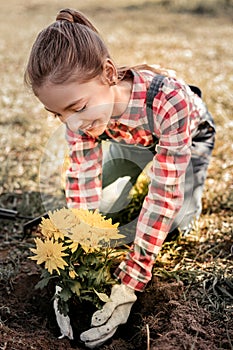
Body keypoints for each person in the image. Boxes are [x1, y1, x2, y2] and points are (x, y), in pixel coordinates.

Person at [24, 8, 215, 348]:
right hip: (130, 141)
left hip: (185, 137)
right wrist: (71, 266)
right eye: (58, 114)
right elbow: (81, 185)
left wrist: (131, 282)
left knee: (176, 223)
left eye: (78, 107)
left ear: (109, 73)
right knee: (104, 207)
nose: (71, 124)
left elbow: (163, 196)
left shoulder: (169, 100)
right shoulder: (82, 120)